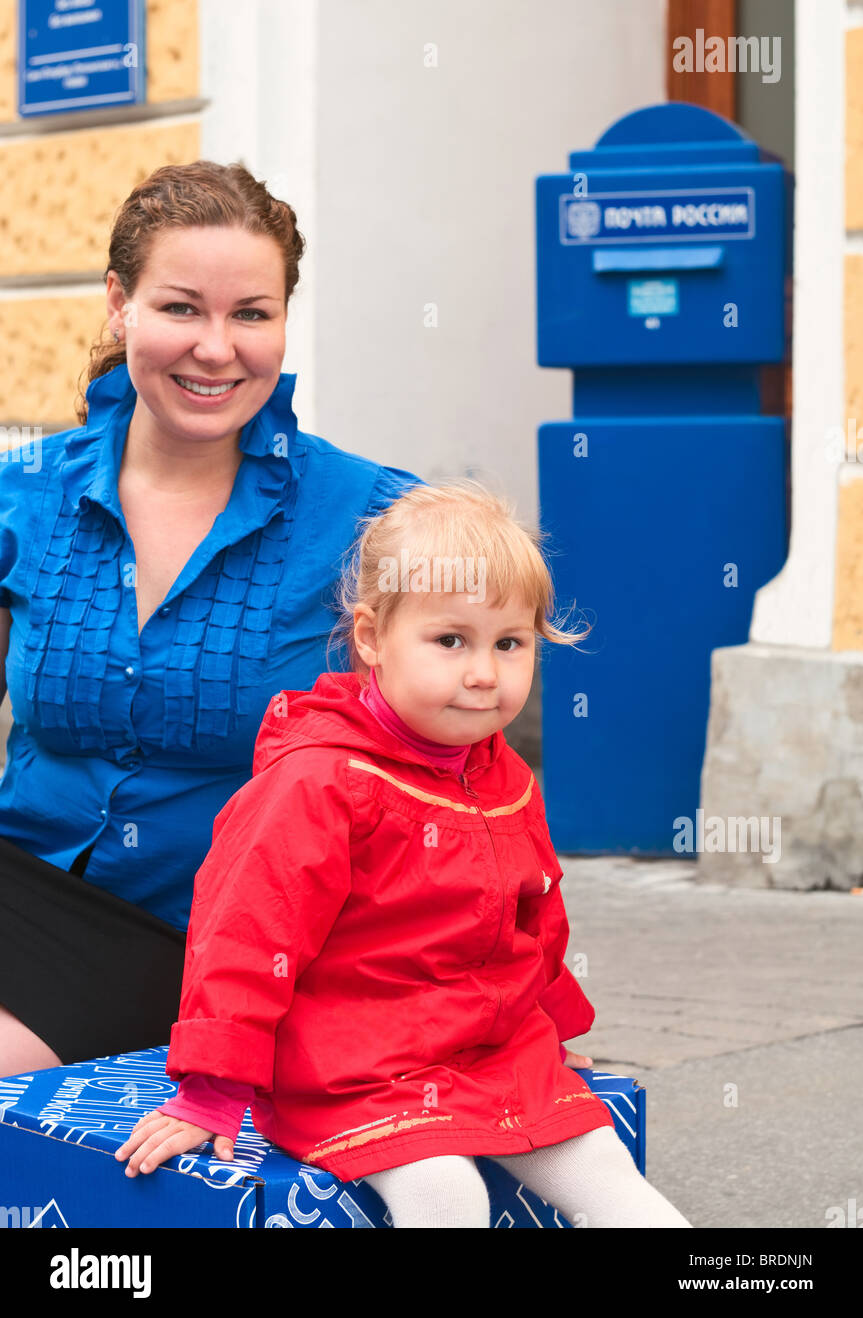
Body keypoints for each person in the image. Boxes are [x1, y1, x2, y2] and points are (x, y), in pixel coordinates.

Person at [114, 480, 692, 1229]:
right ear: (370, 639)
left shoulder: (501, 773)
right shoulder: (320, 781)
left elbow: (534, 912)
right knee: (446, 1194)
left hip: (488, 1050)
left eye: (508, 643)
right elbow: (247, 937)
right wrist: (214, 1088)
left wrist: (552, 1027)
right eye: (450, 640)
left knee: (607, 1172)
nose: (484, 673)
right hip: (356, 1064)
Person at [0, 160, 420, 1077]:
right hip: (20, 882)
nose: (217, 347)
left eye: (251, 315)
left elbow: (458, 723)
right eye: (182, 308)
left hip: (218, 934)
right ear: (121, 305)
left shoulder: (371, 517)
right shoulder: (24, 495)